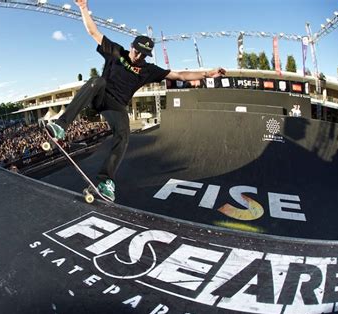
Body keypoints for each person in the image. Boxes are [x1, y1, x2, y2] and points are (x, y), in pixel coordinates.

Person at [46, 0, 226, 201]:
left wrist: (207, 73)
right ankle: (61, 126)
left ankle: (106, 181)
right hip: (100, 95)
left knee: (124, 134)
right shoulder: (116, 52)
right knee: (96, 80)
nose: (139, 56)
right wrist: (83, 8)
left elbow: (180, 75)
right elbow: (93, 32)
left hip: (117, 106)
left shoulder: (149, 70)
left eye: (143, 54)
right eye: (137, 50)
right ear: (131, 46)